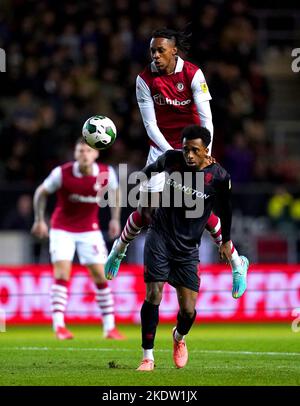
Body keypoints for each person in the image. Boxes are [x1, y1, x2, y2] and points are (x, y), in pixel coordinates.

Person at [105, 27, 246, 279]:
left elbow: (207, 120)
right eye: (152, 51)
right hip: (163, 148)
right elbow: (150, 126)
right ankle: (119, 249)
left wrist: (202, 157)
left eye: (160, 50)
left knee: (197, 211)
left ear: (174, 51)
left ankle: (236, 264)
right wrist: (172, 155)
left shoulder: (193, 74)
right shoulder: (144, 79)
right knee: (147, 211)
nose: (155, 56)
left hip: (194, 150)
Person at [107, 126, 249, 371]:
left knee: (188, 310)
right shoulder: (172, 160)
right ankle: (147, 357)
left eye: (195, 150)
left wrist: (226, 241)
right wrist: (141, 184)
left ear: (207, 151)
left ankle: (179, 338)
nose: (189, 155)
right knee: (153, 294)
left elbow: (225, 210)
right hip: (160, 236)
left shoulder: (219, 177)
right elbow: (147, 171)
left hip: (187, 248)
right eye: (186, 149)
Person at [31, 138, 124, 340]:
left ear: (96, 154)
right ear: (75, 153)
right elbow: (41, 192)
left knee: (101, 275)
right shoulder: (61, 173)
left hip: (89, 229)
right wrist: (39, 220)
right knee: (62, 273)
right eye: (80, 150)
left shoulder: (105, 173)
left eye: (88, 150)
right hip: (62, 228)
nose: (84, 154)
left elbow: (116, 194)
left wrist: (115, 219)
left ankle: (109, 327)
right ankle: (59, 326)